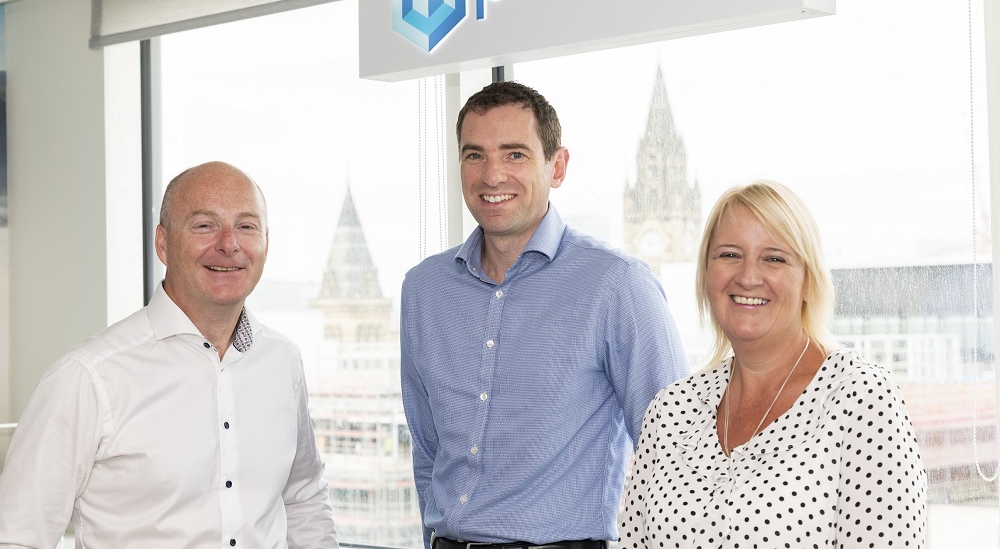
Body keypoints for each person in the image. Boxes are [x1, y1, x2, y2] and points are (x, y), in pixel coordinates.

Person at [400, 80, 689, 549]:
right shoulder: (423, 290)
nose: (492, 175)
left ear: (557, 166)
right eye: (475, 155)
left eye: (515, 154)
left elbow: (676, 454)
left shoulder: (617, 285)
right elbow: (428, 450)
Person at [0, 161, 339, 548]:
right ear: (163, 243)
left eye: (246, 226)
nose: (229, 244)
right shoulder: (87, 378)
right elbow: (18, 537)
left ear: (265, 242)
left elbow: (304, 500)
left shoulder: (283, 363)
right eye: (204, 225)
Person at [620, 181, 927, 548]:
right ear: (705, 274)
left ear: (809, 281)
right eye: (730, 255)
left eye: (774, 258)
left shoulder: (861, 398)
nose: (748, 276)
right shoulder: (671, 410)